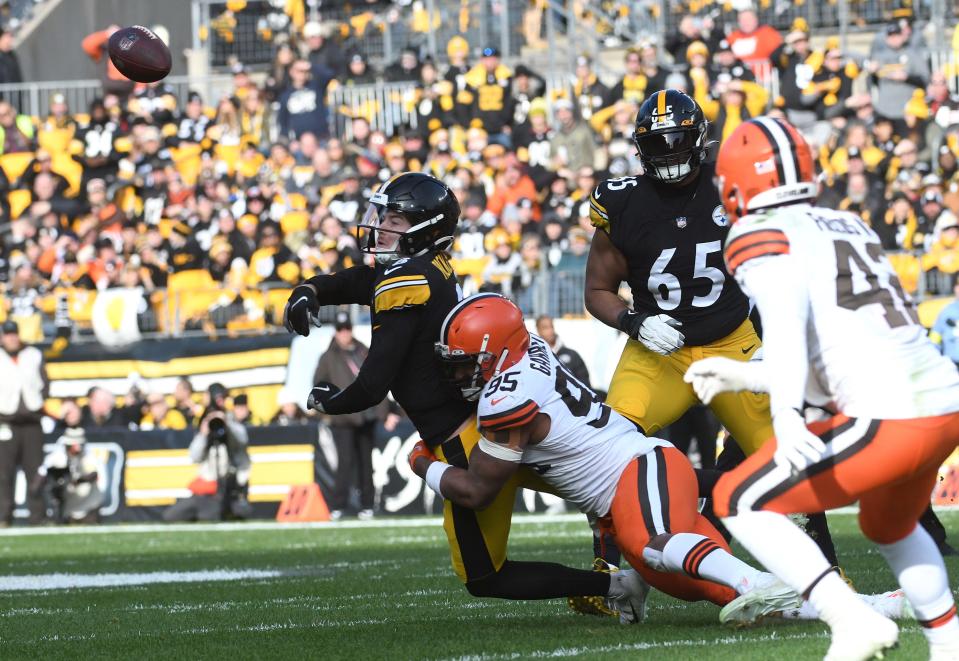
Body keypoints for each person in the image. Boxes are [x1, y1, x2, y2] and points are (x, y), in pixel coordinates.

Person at [417, 294, 909, 624]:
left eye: (468, 364)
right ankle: (875, 607)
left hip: (640, 467)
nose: (461, 376)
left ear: (497, 355)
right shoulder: (529, 355)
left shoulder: (507, 397)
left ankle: (755, 571)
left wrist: (424, 464)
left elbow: (478, 490)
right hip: (625, 490)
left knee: (655, 543)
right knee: (720, 593)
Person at [283, 172, 645, 617]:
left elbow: (373, 384)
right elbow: (361, 282)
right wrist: (311, 289)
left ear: (425, 229)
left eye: (394, 220)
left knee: (484, 576)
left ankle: (615, 584)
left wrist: (327, 401)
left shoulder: (405, 283)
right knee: (580, 481)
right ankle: (623, 517)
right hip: (480, 423)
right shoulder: (429, 267)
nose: (380, 227)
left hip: (462, 442)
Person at [685, 116, 959, 661]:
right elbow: (841, 345)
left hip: (891, 413)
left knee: (739, 498)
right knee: (888, 522)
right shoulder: (845, 223)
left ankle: (849, 619)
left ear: (738, 182)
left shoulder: (756, 233)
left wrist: (786, 418)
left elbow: (785, 324)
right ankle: (949, 643)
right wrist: (746, 374)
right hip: (944, 402)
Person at [583, 89, 838, 565]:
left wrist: (776, 334)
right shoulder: (622, 203)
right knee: (607, 448)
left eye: (678, 140)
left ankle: (827, 570)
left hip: (733, 343)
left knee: (789, 459)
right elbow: (597, 291)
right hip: (658, 351)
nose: (670, 153)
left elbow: (783, 262)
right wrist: (635, 321)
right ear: (640, 151)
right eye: (658, 145)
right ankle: (609, 569)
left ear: (699, 138)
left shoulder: (732, 187)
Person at [313, 311, 380, 520]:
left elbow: (379, 379)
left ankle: (367, 505)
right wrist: (329, 408)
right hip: (343, 419)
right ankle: (338, 505)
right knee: (345, 463)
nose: (344, 333)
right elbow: (318, 385)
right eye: (341, 329)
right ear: (336, 331)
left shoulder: (362, 351)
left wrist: (383, 411)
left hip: (365, 416)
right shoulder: (328, 356)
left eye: (347, 329)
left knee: (365, 464)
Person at [163, 383, 252, 522]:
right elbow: (194, 457)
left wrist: (226, 423)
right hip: (207, 491)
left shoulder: (231, 420)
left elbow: (242, 439)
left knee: (240, 511)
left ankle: (213, 512)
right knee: (171, 516)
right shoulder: (204, 422)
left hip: (229, 488)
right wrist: (204, 434)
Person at [0, 320, 47, 525]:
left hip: (31, 423)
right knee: (3, 474)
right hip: (5, 422)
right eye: (7, 334)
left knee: (35, 472)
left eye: (14, 334)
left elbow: (45, 383)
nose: (11, 338)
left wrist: (38, 404)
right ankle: (3, 517)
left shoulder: (33, 355)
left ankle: (37, 517)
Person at [34, 428, 103, 524]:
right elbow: (41, 475)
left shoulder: (88, 456)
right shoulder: (57, 457)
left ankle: (87, 515)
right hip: (66, 498)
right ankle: (59, 515)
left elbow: (94, 475)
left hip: (86, 498)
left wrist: (78, 480)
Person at [535, 315, 590, 388]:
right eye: (545, 328)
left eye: (551, 326)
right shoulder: (535, 358)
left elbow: (585, 382)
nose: (550, 330)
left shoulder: (572, 355)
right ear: (538, 330)